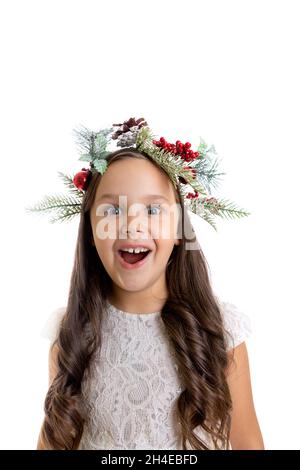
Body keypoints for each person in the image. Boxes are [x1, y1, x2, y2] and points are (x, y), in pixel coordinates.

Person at [32, 118, 264, 450]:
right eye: (112, 209)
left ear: (179, 230)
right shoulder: (71, 333)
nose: (132, 225)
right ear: (90, 231)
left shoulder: (219, 333)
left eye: (153, 209)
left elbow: (248, 443)